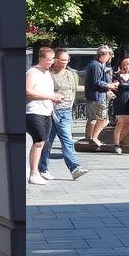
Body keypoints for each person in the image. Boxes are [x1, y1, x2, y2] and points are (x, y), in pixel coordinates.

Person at [38, 48, 87, 180]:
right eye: (62, 60)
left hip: (65, 112)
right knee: (47, 142)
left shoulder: (71, 74)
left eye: (67, 60)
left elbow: (73, 91)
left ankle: (74, 168)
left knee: (67, 139)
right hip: (50, 111)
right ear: (55, 60)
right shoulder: (48, 74)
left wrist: (71, 106)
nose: (65, 62)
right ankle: (42, 168)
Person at [24, 45, 58, 186]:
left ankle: (36, 171)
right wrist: (50, 96)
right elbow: (27, 91)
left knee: (42, 142)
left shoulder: (47, 73)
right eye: (48, 60)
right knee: (38, 141)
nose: (51, 62)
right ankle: (33, 173)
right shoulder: (33, 72)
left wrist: (54, 99)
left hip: (46, 111)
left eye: (52, 60)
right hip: (33, 111)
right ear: (41, 58)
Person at [79, 45, 114, 149]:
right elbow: (96, 82)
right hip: (97, 97)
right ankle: (94, 138)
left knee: (93, 118)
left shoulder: (95, 65)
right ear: (103, 55)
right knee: (104, 120)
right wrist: (109, 85)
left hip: (95, 96)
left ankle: (89, 138)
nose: (110, 58)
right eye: (109, 55)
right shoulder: (96, 65)